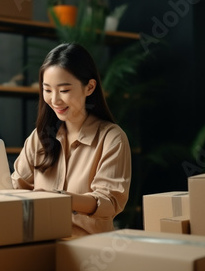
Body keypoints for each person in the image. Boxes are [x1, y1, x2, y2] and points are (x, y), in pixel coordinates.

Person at [11, 43, 132, 236]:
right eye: (47, 90)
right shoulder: (39, 137)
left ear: (90, 87)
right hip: (40, 243)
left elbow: (109, 202)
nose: (54, 100)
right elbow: (16, 187)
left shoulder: (111, 138)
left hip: (88, 248)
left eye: (64, 90)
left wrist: (59, 198)